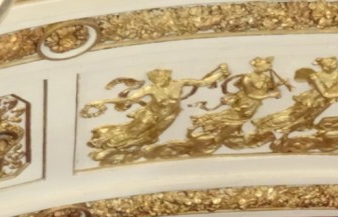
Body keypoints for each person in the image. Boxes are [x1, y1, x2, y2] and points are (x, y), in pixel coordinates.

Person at [83, 65, 229, 160]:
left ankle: (131, 147)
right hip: (150, 114)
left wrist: (220, 73)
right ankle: (103, 141)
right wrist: (103, 102)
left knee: (152, 135)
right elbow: (130, 99)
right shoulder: (150, 89)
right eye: (154, 79)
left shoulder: (180, 83)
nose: (156, 81)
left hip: (169, 116)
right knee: (133, 130)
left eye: (159, 78)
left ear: (167, 76)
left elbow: (203, 83)